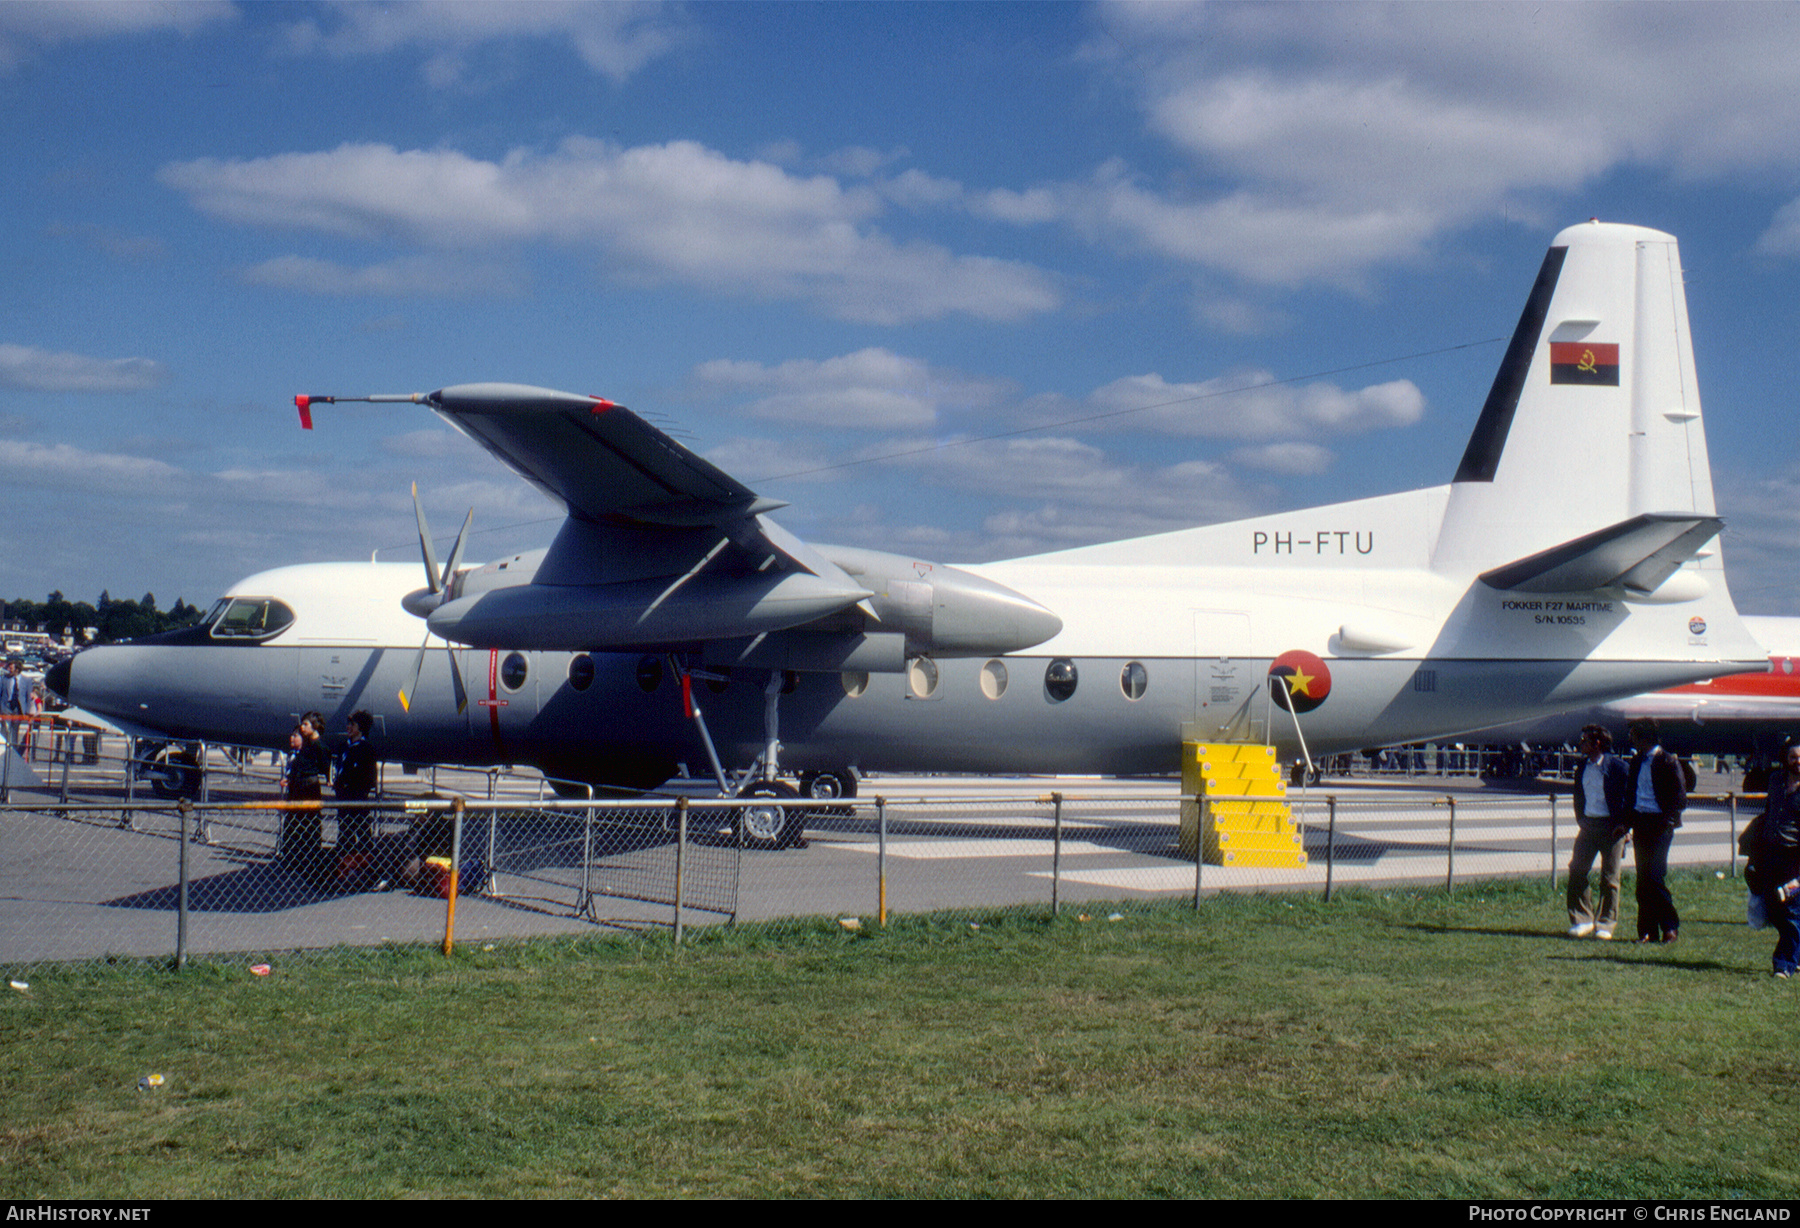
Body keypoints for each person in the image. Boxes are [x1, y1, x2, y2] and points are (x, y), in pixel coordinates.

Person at [1567, 724, 1631, 939]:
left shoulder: (1618, 767)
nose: (1580, 744)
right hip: (1588, 826)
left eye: (1584, 740)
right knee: (1577, 870)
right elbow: (1579, 797)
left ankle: (1605, 923)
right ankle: (1582, 919)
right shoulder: (1582, 767)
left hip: (1612, 828)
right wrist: (1581, 820)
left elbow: (1630, 798)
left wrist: (1625, 825)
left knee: (1610, 877)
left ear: (1597, 743)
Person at [1626, 717, 1687, 943]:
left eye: (1633, 736)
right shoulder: (1636, 762)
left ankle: (1670, 926)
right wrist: (1626, 822)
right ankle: (1647, 931)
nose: (1631, 740)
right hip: (1641, 822)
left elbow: (1680, 798)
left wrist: (1668, 821)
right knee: (1643, 879)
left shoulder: (1668, 761)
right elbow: (1630, 795)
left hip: (1660, 825)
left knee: (1655, 876)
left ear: (1644, 738)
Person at [1748, 741, 1800, 979]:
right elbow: (1769, 812)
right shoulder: (1776, 781)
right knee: (1773, 908)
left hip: (1794, 857)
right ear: (1785, 759)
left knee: (1790, 911)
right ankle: (1796, 953)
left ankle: (1784, 964)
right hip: (1770, 853)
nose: (1797, 762)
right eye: (1793, 757)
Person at [334, 710, 378, 860]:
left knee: (363, 833)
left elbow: (369, 778)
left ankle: (370, 868)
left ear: (360, 727)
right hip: (343, 799)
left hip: (357, 800)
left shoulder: (366, 749)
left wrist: (354, 786)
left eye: (352, 724)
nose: (348, 727)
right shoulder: (344, 747)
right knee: (345, 834)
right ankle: (345, 866)